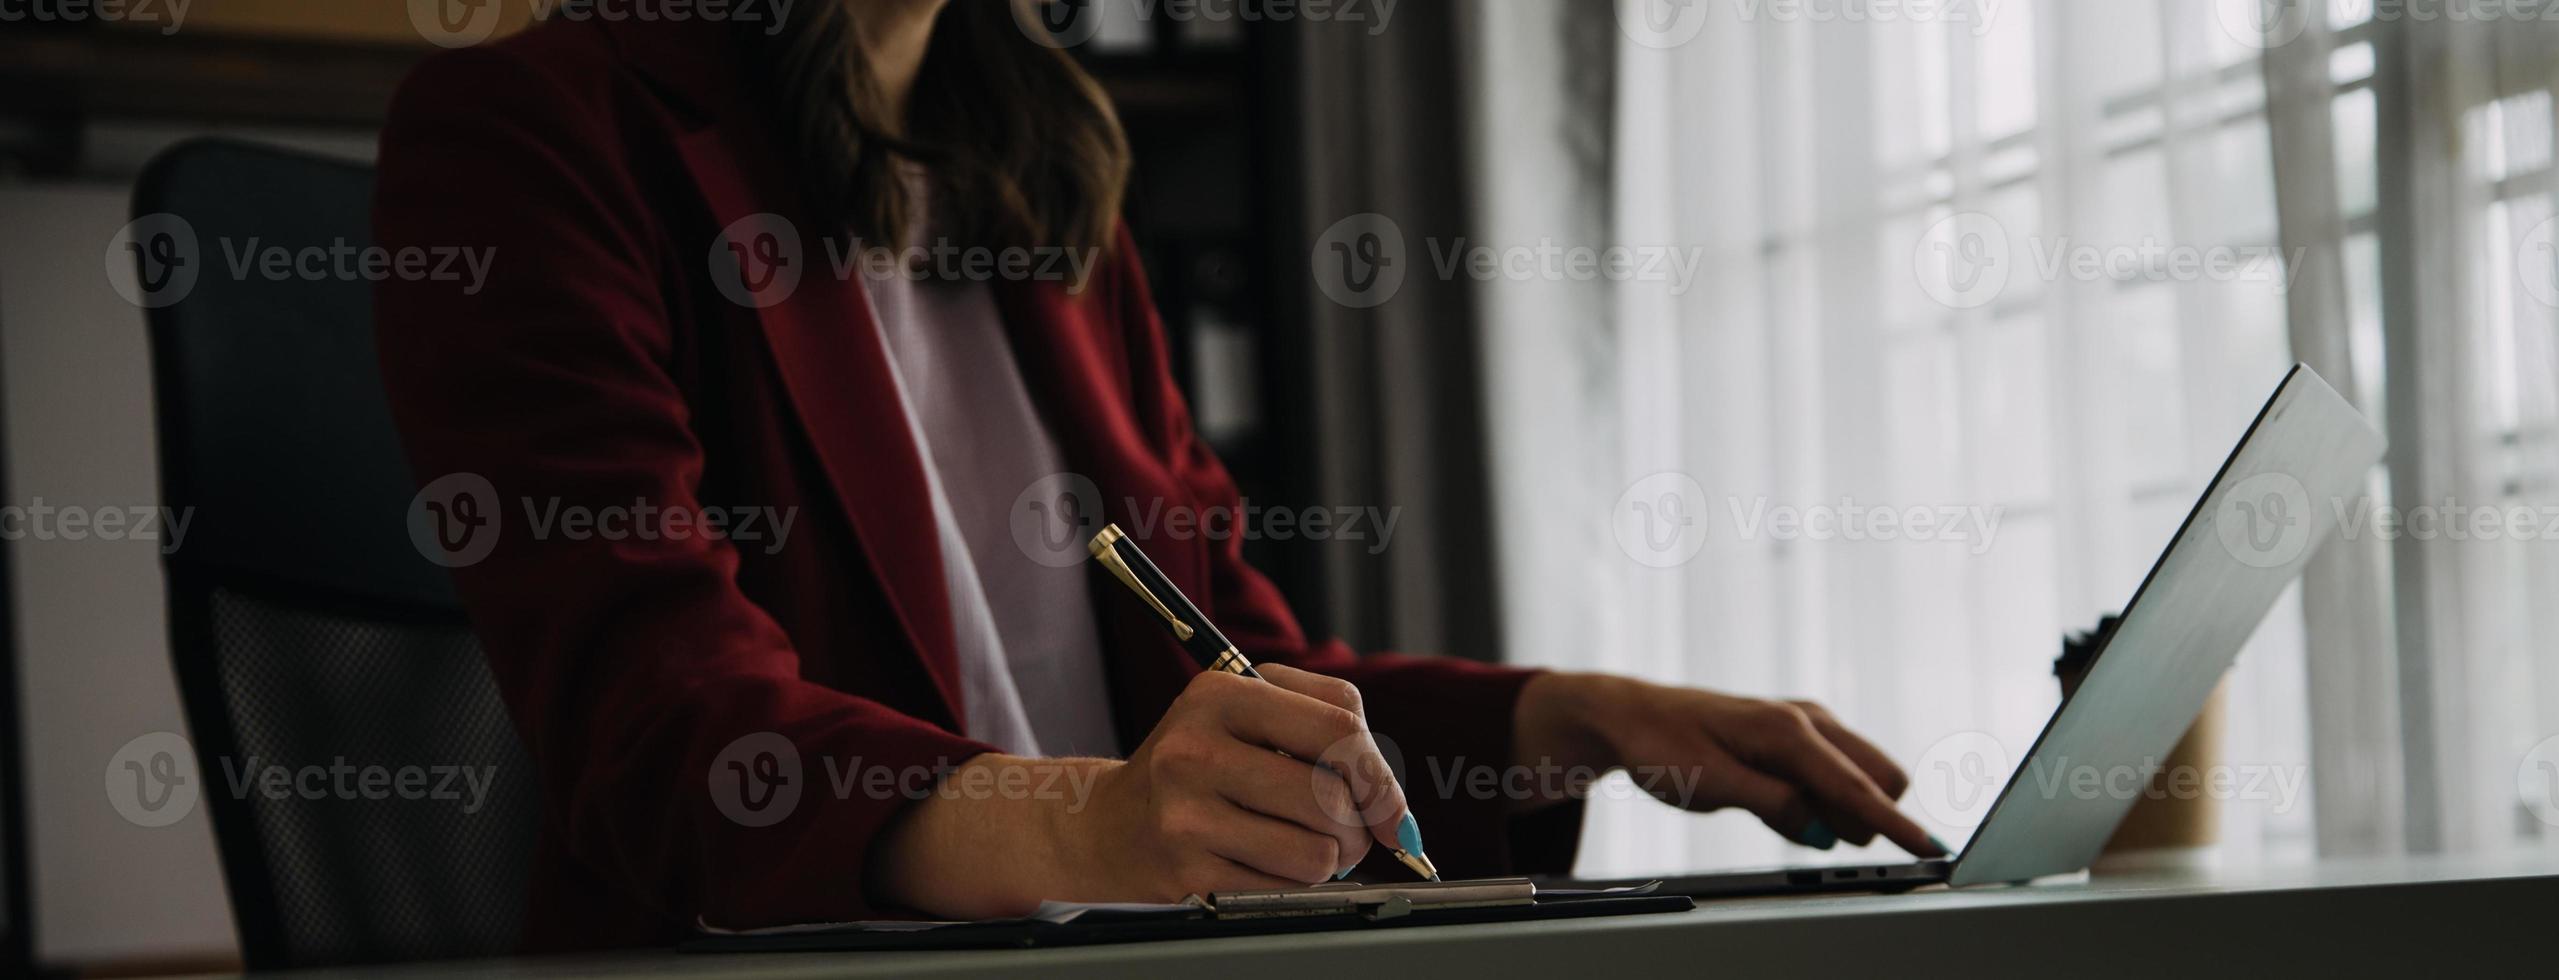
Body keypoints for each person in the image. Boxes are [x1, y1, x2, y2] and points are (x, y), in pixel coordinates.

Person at [371, 0, 1942, 950]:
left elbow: (1247, 674)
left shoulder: (1050, 183)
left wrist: (1575, 720)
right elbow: (668, 736)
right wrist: (1098, 830)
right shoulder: (536, 129)